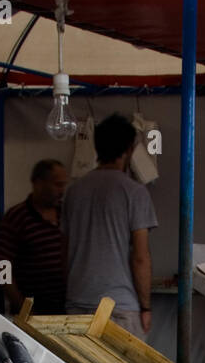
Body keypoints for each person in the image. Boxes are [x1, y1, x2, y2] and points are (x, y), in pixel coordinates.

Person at [62, 113, 158, 337]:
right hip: (119, 307)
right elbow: (140, 257)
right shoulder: (135, 193)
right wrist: (146, 306)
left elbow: (63, 252)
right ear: (129, 150)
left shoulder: (74, 192)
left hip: (77, 303)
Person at [0, 159, 69, 314]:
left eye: (63, 185)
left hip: (67, 308)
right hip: (31, 310)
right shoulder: (16, 217)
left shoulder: (67, 214)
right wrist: (21, 305)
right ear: (38, 183)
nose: (62, 190)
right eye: (57, 184)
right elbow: (1, 266)